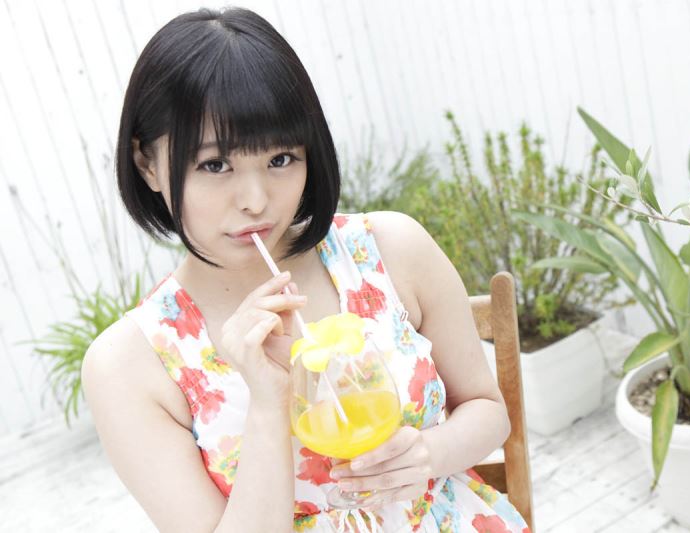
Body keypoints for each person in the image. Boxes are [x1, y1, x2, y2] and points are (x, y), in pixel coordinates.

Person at [82, 7, 531, 533]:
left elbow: (486, 409)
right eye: (215, 165)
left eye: (280, 159)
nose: (256, 200)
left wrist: (429, 454)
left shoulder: (390, 249)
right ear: (147, 164)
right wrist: (267, 402)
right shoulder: (129, 365)